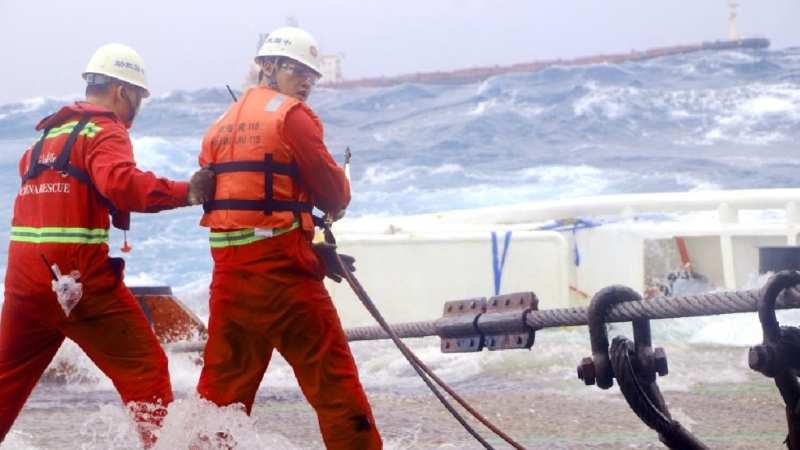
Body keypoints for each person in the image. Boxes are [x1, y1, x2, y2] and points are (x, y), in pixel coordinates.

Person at [0, 43, 216, 448]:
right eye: (138, 97)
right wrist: (188, 192)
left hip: (24, 282)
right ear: (122, 92)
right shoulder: (105, 129)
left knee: (5, 383)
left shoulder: (47, 136)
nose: (137, 108)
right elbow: (123, 185)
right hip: (75, 281)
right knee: (145, 367)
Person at [195, 26, 382, 449]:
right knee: (335, 388)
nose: (305, 82)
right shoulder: (291, 116)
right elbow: (332, 193)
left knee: (219, 402)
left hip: (228, 283)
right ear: (268, 67)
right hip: (282, 279)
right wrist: (324, 222)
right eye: (297, 71)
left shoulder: (218, 126)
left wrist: (310, 251)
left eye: (311, 75)